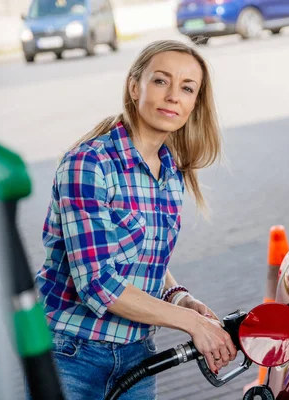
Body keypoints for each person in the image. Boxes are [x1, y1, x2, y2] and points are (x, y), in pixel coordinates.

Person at [33, 40, 237, 399]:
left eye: (187, 88)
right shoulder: (89, 165)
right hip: (71, 353)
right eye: (161, 81)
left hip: (137, 352)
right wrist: (192, 325)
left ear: (194, 103)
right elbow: (97, 284)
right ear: (134, 86)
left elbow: (139, 254)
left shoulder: (170, 171)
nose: (173, 96)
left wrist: (179, 297)